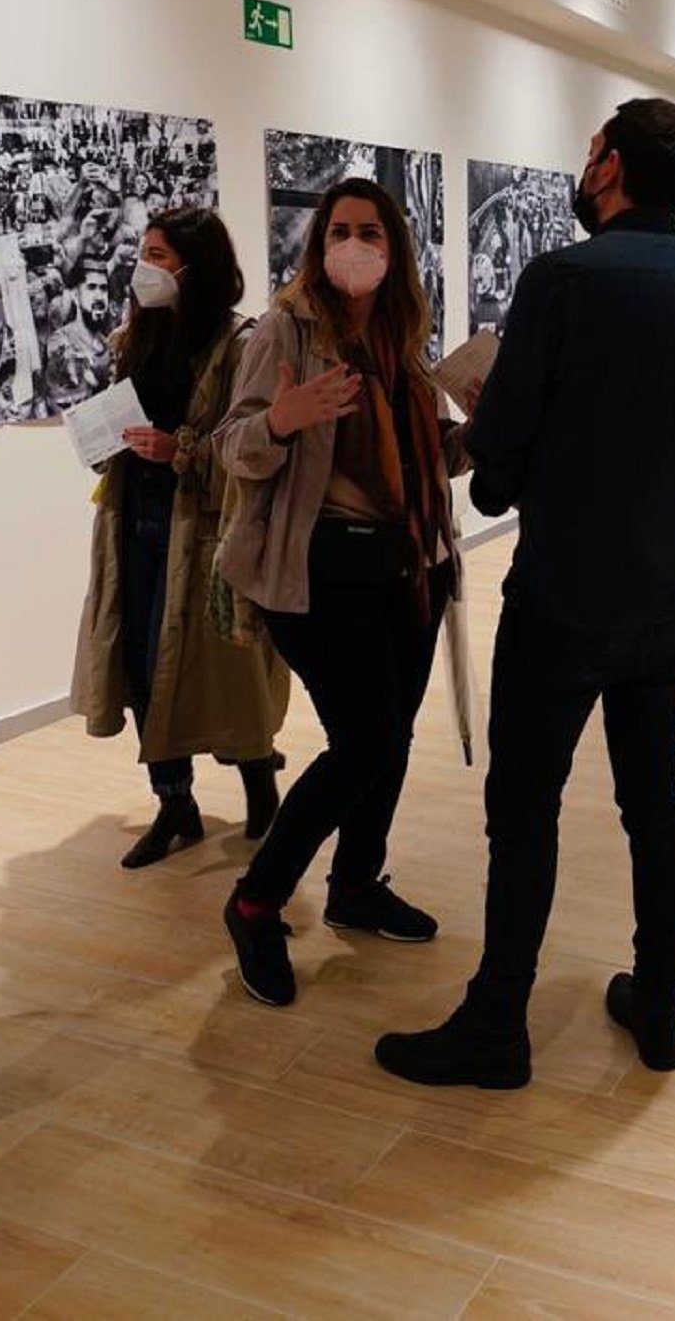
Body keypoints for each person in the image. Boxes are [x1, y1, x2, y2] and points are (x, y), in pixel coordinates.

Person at [374, 98, 675, 1090]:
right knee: (651, 798)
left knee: (525, 806)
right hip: (672, 588)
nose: (583, 170)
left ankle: (499, 1019)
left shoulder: (561, 280)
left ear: (611, 168)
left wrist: (488, 444)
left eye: (591, 155)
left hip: (567, 593)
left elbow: (502, 450)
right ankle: (660, 999)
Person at [213, 176, 470, 1008]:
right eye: (338, 231)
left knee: (387, 738)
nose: (353, 245)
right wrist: (281, 420)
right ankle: (256, 899)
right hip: (319, 573)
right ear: (317, 243)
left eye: (370, 231)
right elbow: (234, 448)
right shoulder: (285, 329)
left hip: (410, 563)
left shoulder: (400, 334)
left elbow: (427, 458)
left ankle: (357, 881)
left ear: (393, 247)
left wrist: (480, 433)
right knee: (362, 743)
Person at [70, 207, 289, 869]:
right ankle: (175, 803)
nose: (145, 266)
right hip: (133, 524)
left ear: (196, 266)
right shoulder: (132, 339)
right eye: (145, 251)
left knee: (231, 671)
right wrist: (100, 437)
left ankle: (260, 785)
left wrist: (183, 449)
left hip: (208, 535)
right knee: (141, 663)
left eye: (159, 254)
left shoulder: (242, 344)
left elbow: (253, 449)